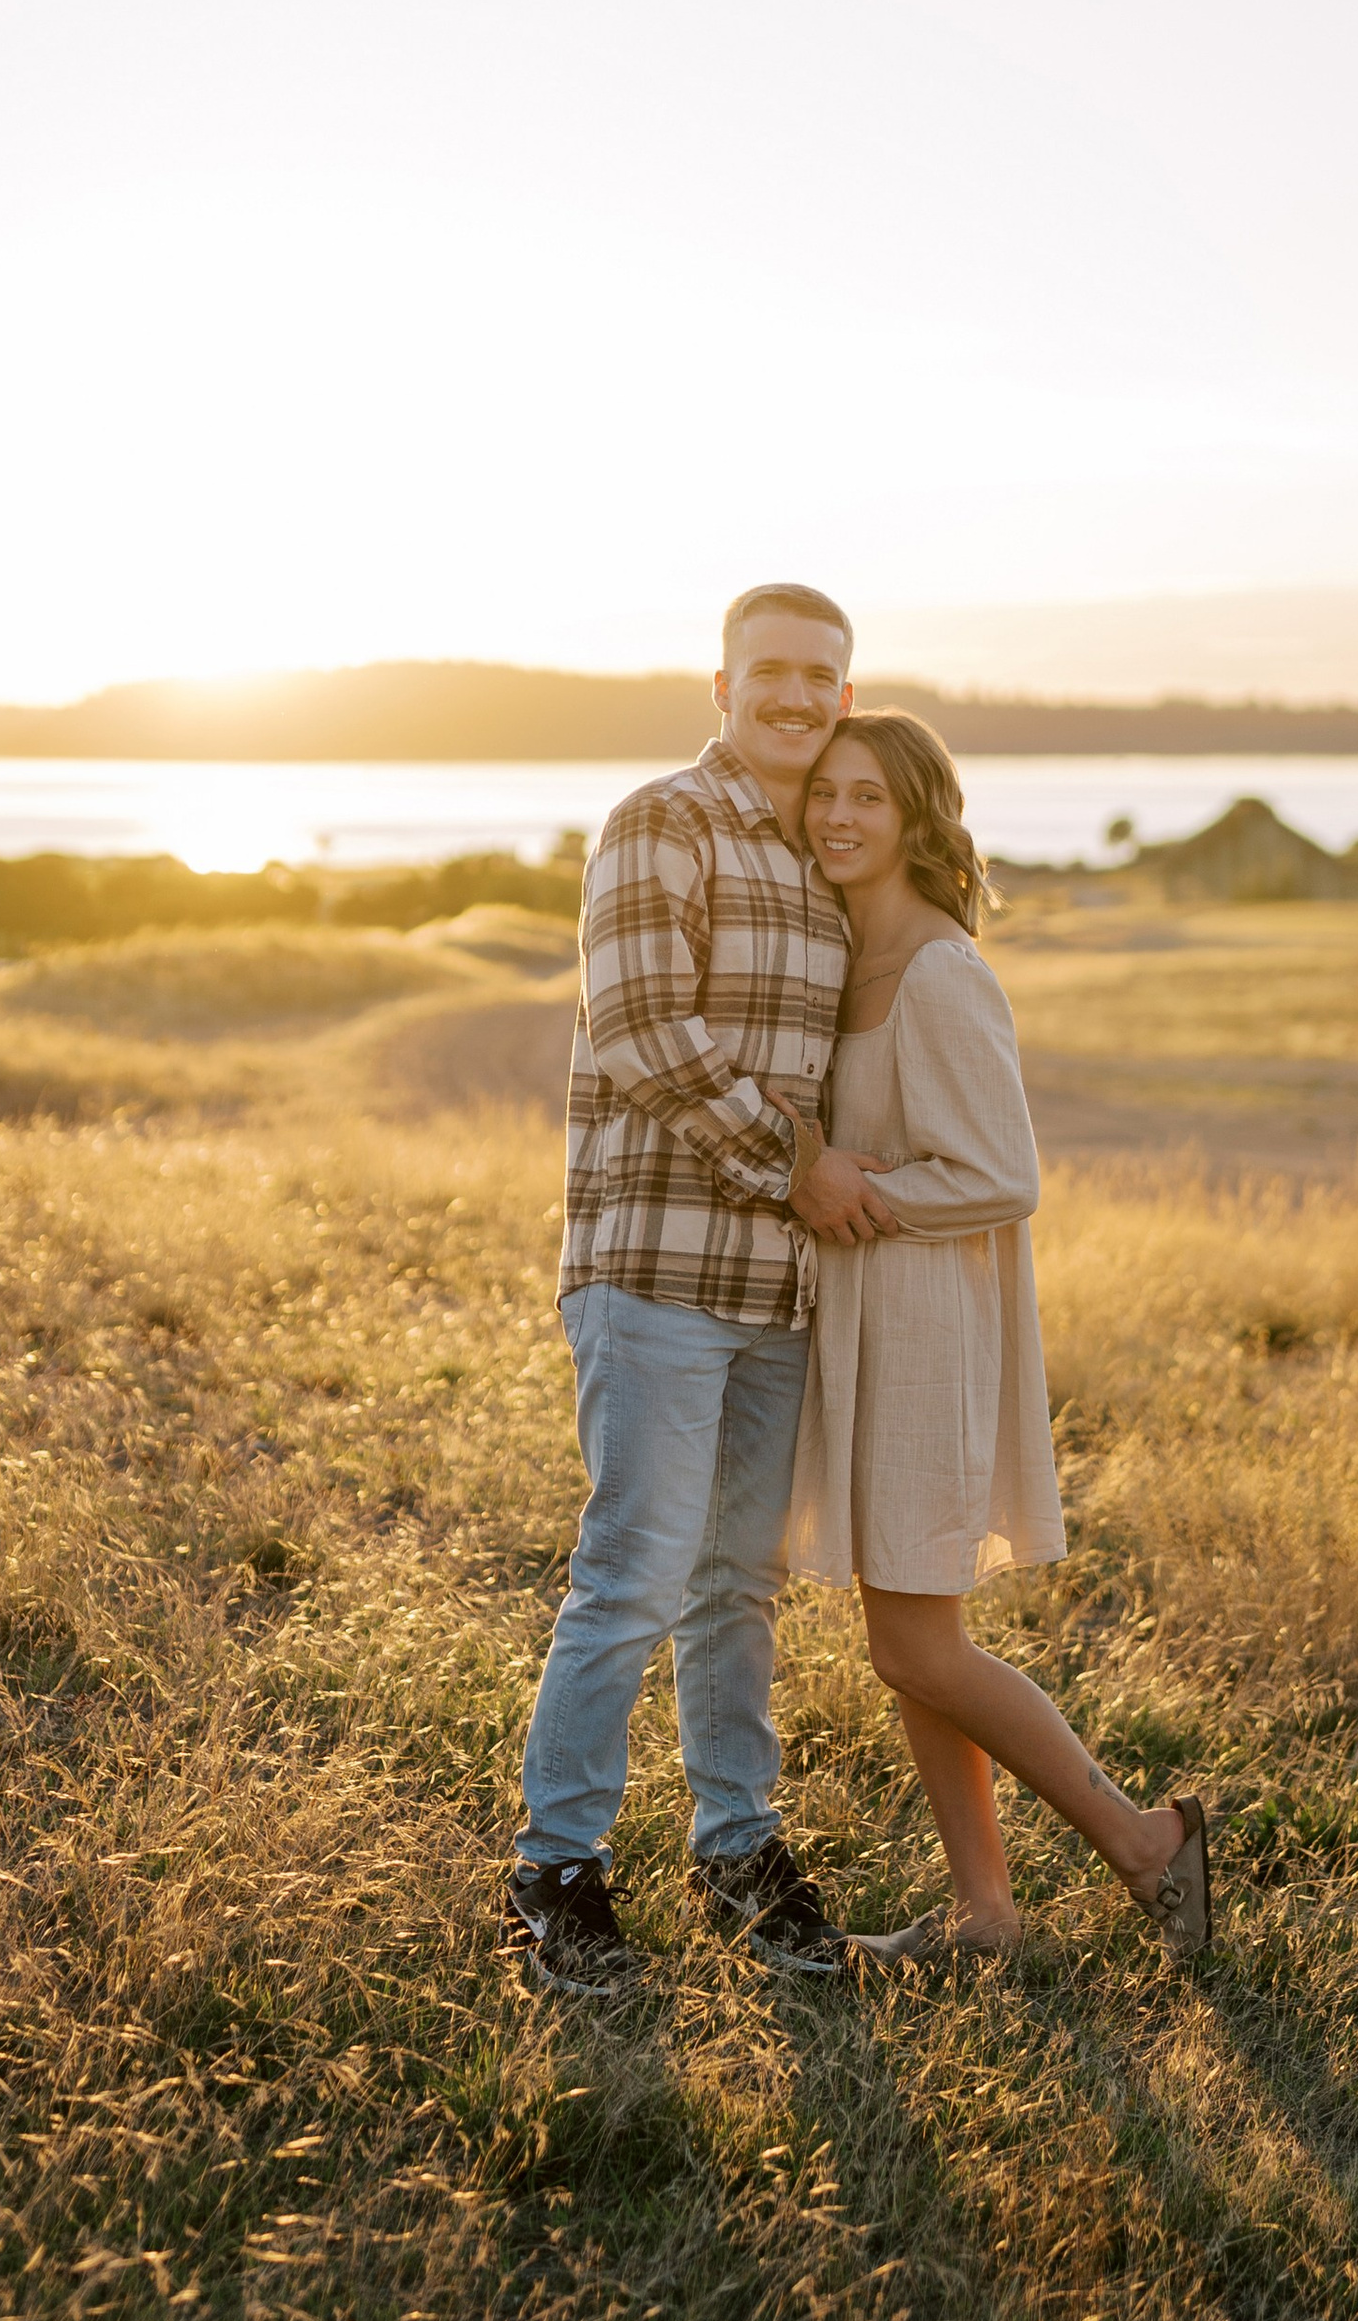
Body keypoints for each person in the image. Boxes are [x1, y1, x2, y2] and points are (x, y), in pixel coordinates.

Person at [506, 582, 901, 1993]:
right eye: (773, 673)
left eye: (822, 679)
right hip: (658, 1268)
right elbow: (639, 1031)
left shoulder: (833, 851)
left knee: (740, 1584)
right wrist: (796, 1167)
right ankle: (557, 1873)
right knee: (632, 1576)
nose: (797, 697)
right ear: (722, 685)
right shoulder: (660, 822)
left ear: (845, 697)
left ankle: (737, 1846)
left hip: (779, 1293)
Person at [790, 710, 1210, 1964]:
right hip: (868, 1327)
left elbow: (1004, 1173)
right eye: (825, 794)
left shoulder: (938, 968)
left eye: (868, 797)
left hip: (926, 1335)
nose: (839, 817)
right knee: (916, 1647)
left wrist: (856, 1190)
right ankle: (985, 1911)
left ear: (918, 817)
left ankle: (1145, 1842)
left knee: (912, 1641)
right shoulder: (847, 958)